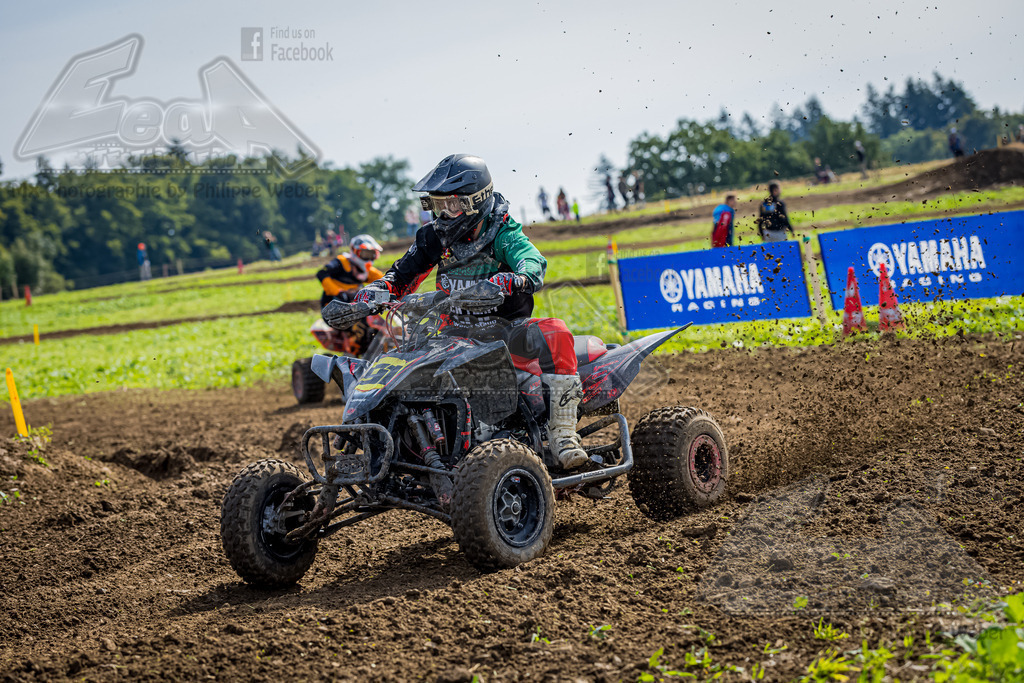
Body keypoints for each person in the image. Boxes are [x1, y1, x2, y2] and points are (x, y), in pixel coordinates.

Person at [335, 154, 588, 469]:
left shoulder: (502, 232)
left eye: (452, 205)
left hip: (506, 331)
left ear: (476, 201)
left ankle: (563, 433)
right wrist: (375, 291)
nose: (444, 214)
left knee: (555, 330)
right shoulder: (434, 236)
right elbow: (401, 275)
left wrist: (516, 278)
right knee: (401, 366)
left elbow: (531, 259)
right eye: (437, 205)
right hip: (451, 334)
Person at [316, 234, 385, 355]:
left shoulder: (367, 271)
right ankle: (354, 354)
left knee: (376, 320)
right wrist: (338, 292)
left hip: (355, 308)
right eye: (365, 254)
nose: (368, 258)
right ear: (354, 251)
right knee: (361, 324)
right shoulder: (342, 262)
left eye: (372, 254)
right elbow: (322, 273)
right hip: (332, 309)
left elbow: (385, 280)